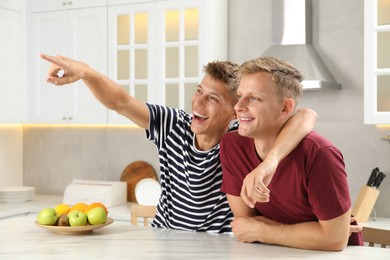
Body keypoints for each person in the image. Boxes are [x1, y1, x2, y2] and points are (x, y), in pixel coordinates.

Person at [40, 54, 316, 233]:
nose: (197, 102)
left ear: (235, 112)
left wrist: (271, 160)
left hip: (218, 245)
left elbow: (306, 115)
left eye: (213, 99)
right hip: (165, 239)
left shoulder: (240, 139)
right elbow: (121, 102)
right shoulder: (173, 125)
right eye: (199, 91)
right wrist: (87, 72)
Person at [220, 56, 364, 249]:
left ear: (285, 108)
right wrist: (310, 232)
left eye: (254, 98)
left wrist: (265, 231)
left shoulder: (319, 154)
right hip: (274, 252)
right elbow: (244, 224)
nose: (238, 106)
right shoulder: (232, 145)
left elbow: (335, 240)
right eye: (240, 96)